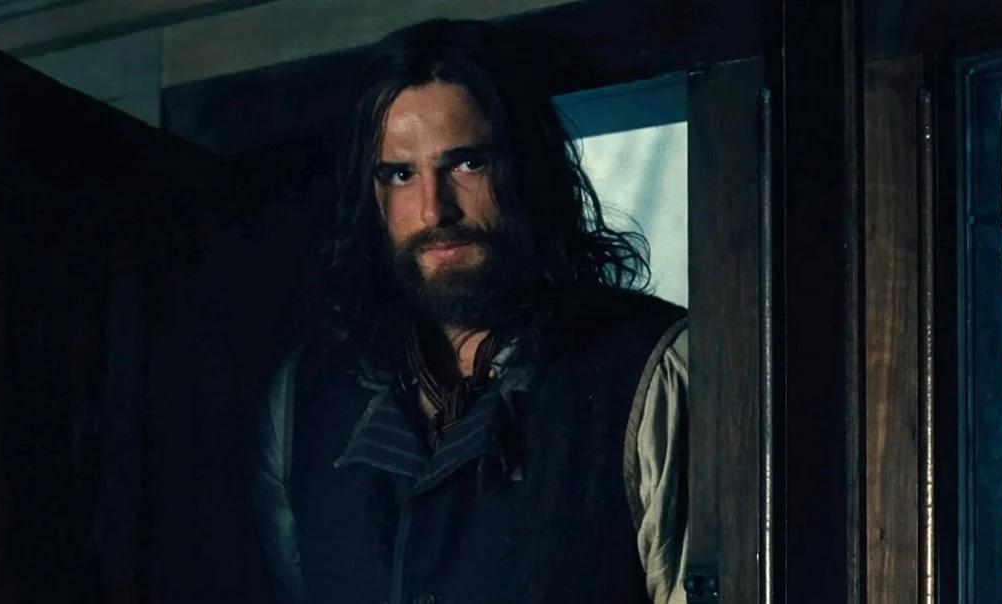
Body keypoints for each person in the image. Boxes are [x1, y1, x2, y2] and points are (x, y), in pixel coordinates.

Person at [254, 18, 688, 604]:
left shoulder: (650, 370)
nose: (434, 209)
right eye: (401, 174)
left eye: (466, 164)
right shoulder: (302, 398)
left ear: (526, 168)